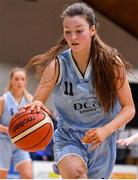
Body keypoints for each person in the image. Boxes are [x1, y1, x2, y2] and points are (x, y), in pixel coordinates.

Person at [24, 2, 135, 179]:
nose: (72, 36)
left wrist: (105, 130)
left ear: (92, 30)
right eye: (67, 31)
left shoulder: (112, 64)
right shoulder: (57, 66)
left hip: (102, 138)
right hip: (69, 136)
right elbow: (37, 100)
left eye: (79, 30)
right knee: (77, 174)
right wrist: (36, 106)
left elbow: (129, 108)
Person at [0, 67, 33, 178]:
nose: (20, 82)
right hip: (3, 142)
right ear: (11, 81)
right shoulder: (3, 100)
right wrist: (10, 130)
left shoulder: (30, 101)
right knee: (1, 176)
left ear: (25, 81)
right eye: (16, 79)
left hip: (20, 143)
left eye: (22, 79)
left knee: (28, 175)